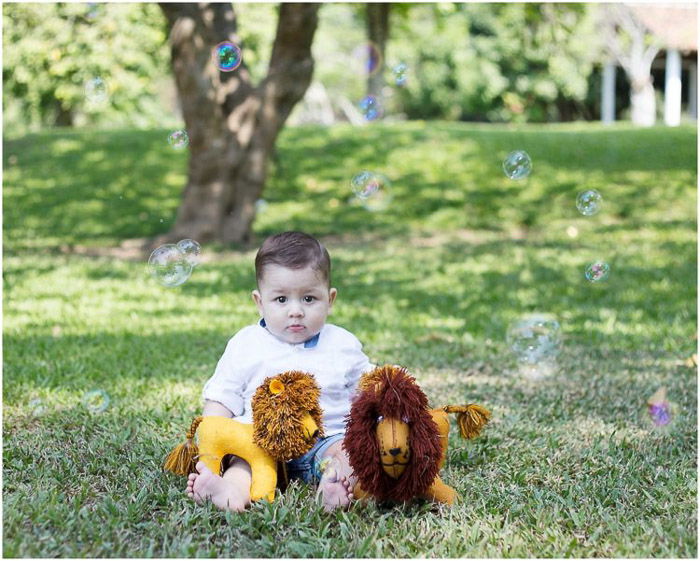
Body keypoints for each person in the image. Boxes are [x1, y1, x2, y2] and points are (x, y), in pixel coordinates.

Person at [185, 231, 374, 512]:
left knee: (351, 451)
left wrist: (387, 393)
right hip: (261, 442)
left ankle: (332, 487)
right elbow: (223, 396)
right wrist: (212, 435)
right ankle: (230, 491)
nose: (295, 311)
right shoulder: (245, 344)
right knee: (242, 462)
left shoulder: (342, 343)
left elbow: (367, 388)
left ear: (330, 299)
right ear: (259, 302)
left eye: (309, 299)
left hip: (327, 440)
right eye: (281, 300)